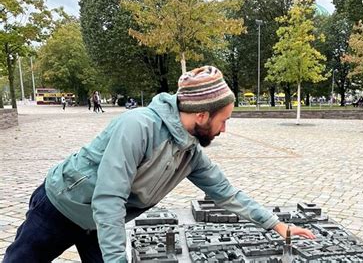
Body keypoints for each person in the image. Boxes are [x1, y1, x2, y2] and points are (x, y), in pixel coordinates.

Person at [4, 66, 315, 262]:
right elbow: (109, 198)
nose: (224, 130)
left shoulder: (190, 152)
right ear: (202, 115)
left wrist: (277, 225)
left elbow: (226, 193)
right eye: (224, 120)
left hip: (98, 225)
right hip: (59, 208)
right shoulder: (138, 126)